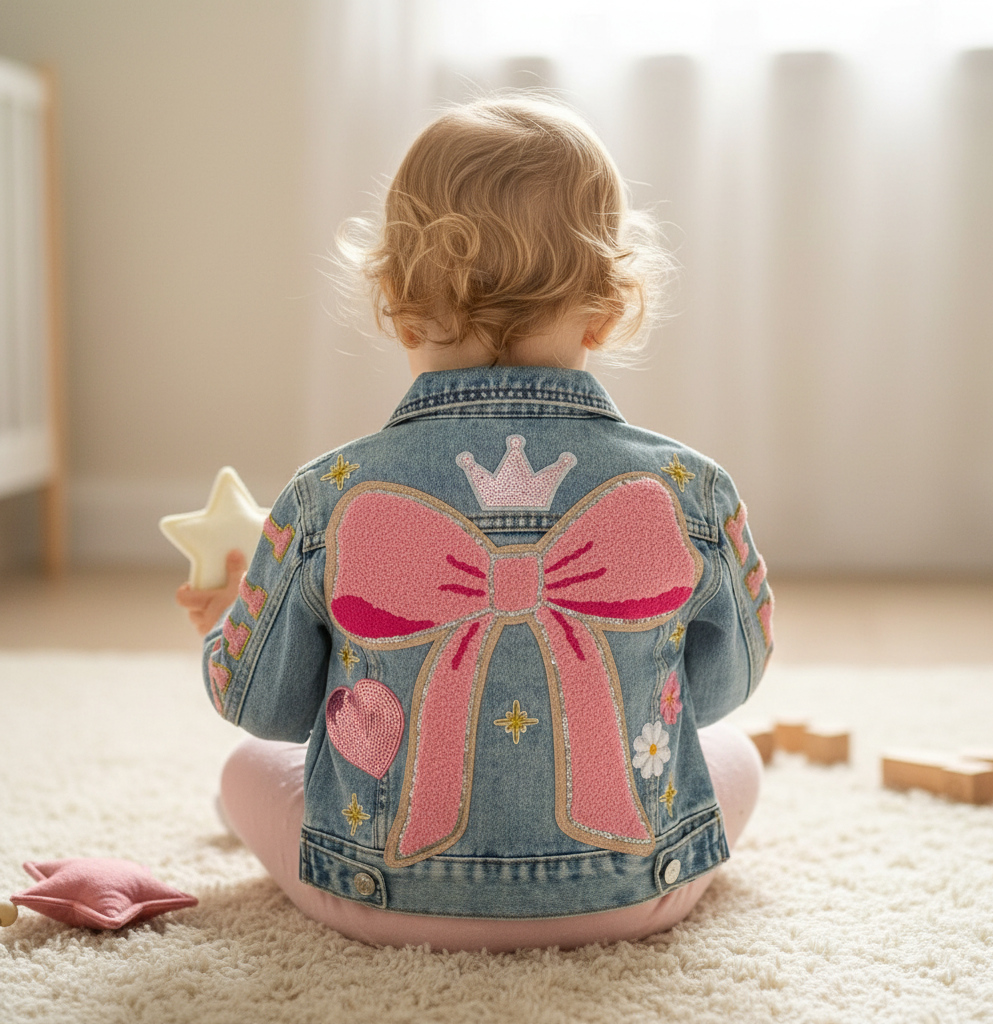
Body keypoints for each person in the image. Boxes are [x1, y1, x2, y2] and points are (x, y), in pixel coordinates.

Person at [177, 95, 772, 953]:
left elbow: (264, 706)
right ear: (609, 310)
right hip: (634, 895)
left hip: (378, 899)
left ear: (397, 305)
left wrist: (229, 622)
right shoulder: (688, 492)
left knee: (247, 771)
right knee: (739, 754)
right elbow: (717, 695)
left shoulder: (329, 498)